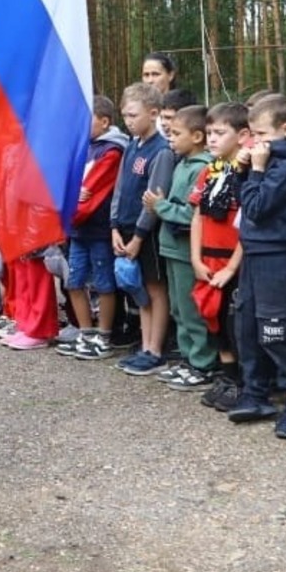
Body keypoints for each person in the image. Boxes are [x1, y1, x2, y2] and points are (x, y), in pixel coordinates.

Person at [226, 94, 286, 437]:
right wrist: (242, 170)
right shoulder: (269, 161)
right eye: (252, 134)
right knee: (246, 325)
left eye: (261, 134)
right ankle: (255, 391)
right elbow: (242, 199)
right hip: (254, 254)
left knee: (277, 329)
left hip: (278, 256)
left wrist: (256, 170)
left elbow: (258, 208)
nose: (255, 142)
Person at [145, 105, 214, 389]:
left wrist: (159, 206)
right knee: (178, 309)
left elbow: (191, 214)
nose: (170, 138)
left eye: (176, 133)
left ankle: (203, 364)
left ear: (197, 136)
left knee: (191, 310)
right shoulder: (182, 163)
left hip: (187, 252)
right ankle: (188, 360)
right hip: (171, 248)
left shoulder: (202, 167)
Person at [58, 95, 129, 359]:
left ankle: (104, 335)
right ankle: (86, 332)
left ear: (104, 121)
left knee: (103, 282)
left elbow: (93, 190)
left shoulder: (112, 150)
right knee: (74, 280)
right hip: (76, 230)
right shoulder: (82, 147)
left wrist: (73, 198)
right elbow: (69, 186)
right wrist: (71, 196)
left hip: (98, 229)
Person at [190, 102, 248, 410]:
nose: (212, 139)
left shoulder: (246, 174)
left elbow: (248, 225)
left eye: (220, 133)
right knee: (212, 318)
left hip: (234, 261)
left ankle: (244, 380)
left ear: (242, 136)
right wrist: (196, 259)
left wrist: (232, 266)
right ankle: (227, 375)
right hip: (208, 259)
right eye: (209, 132)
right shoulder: (208, 172)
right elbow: (198, 216)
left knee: (233, 321)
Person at [112, 83, 171, 375]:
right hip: (123, 229)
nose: (128, 120)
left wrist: (138, 236)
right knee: (140, 290)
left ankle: (155, 349)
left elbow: (153, 198)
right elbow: (121, 188)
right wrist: (114, 227)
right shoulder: (132, 145)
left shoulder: (161, 150)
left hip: (146, 235)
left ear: (153, 113)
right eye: (125, 115)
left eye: (134, 115)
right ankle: (145, 345)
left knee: (155, 289)